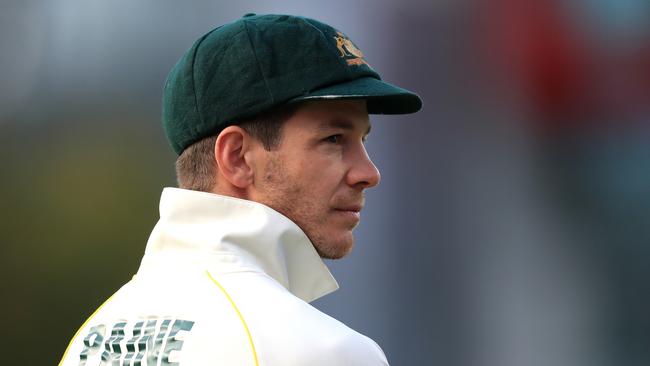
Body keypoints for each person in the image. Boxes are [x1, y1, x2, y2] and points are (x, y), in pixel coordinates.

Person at [59, 13, 421, 365]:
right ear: (237, 158)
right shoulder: (325, 351)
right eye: (334, 139)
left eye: (363, 139)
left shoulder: (88, 343)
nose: (369, 173)